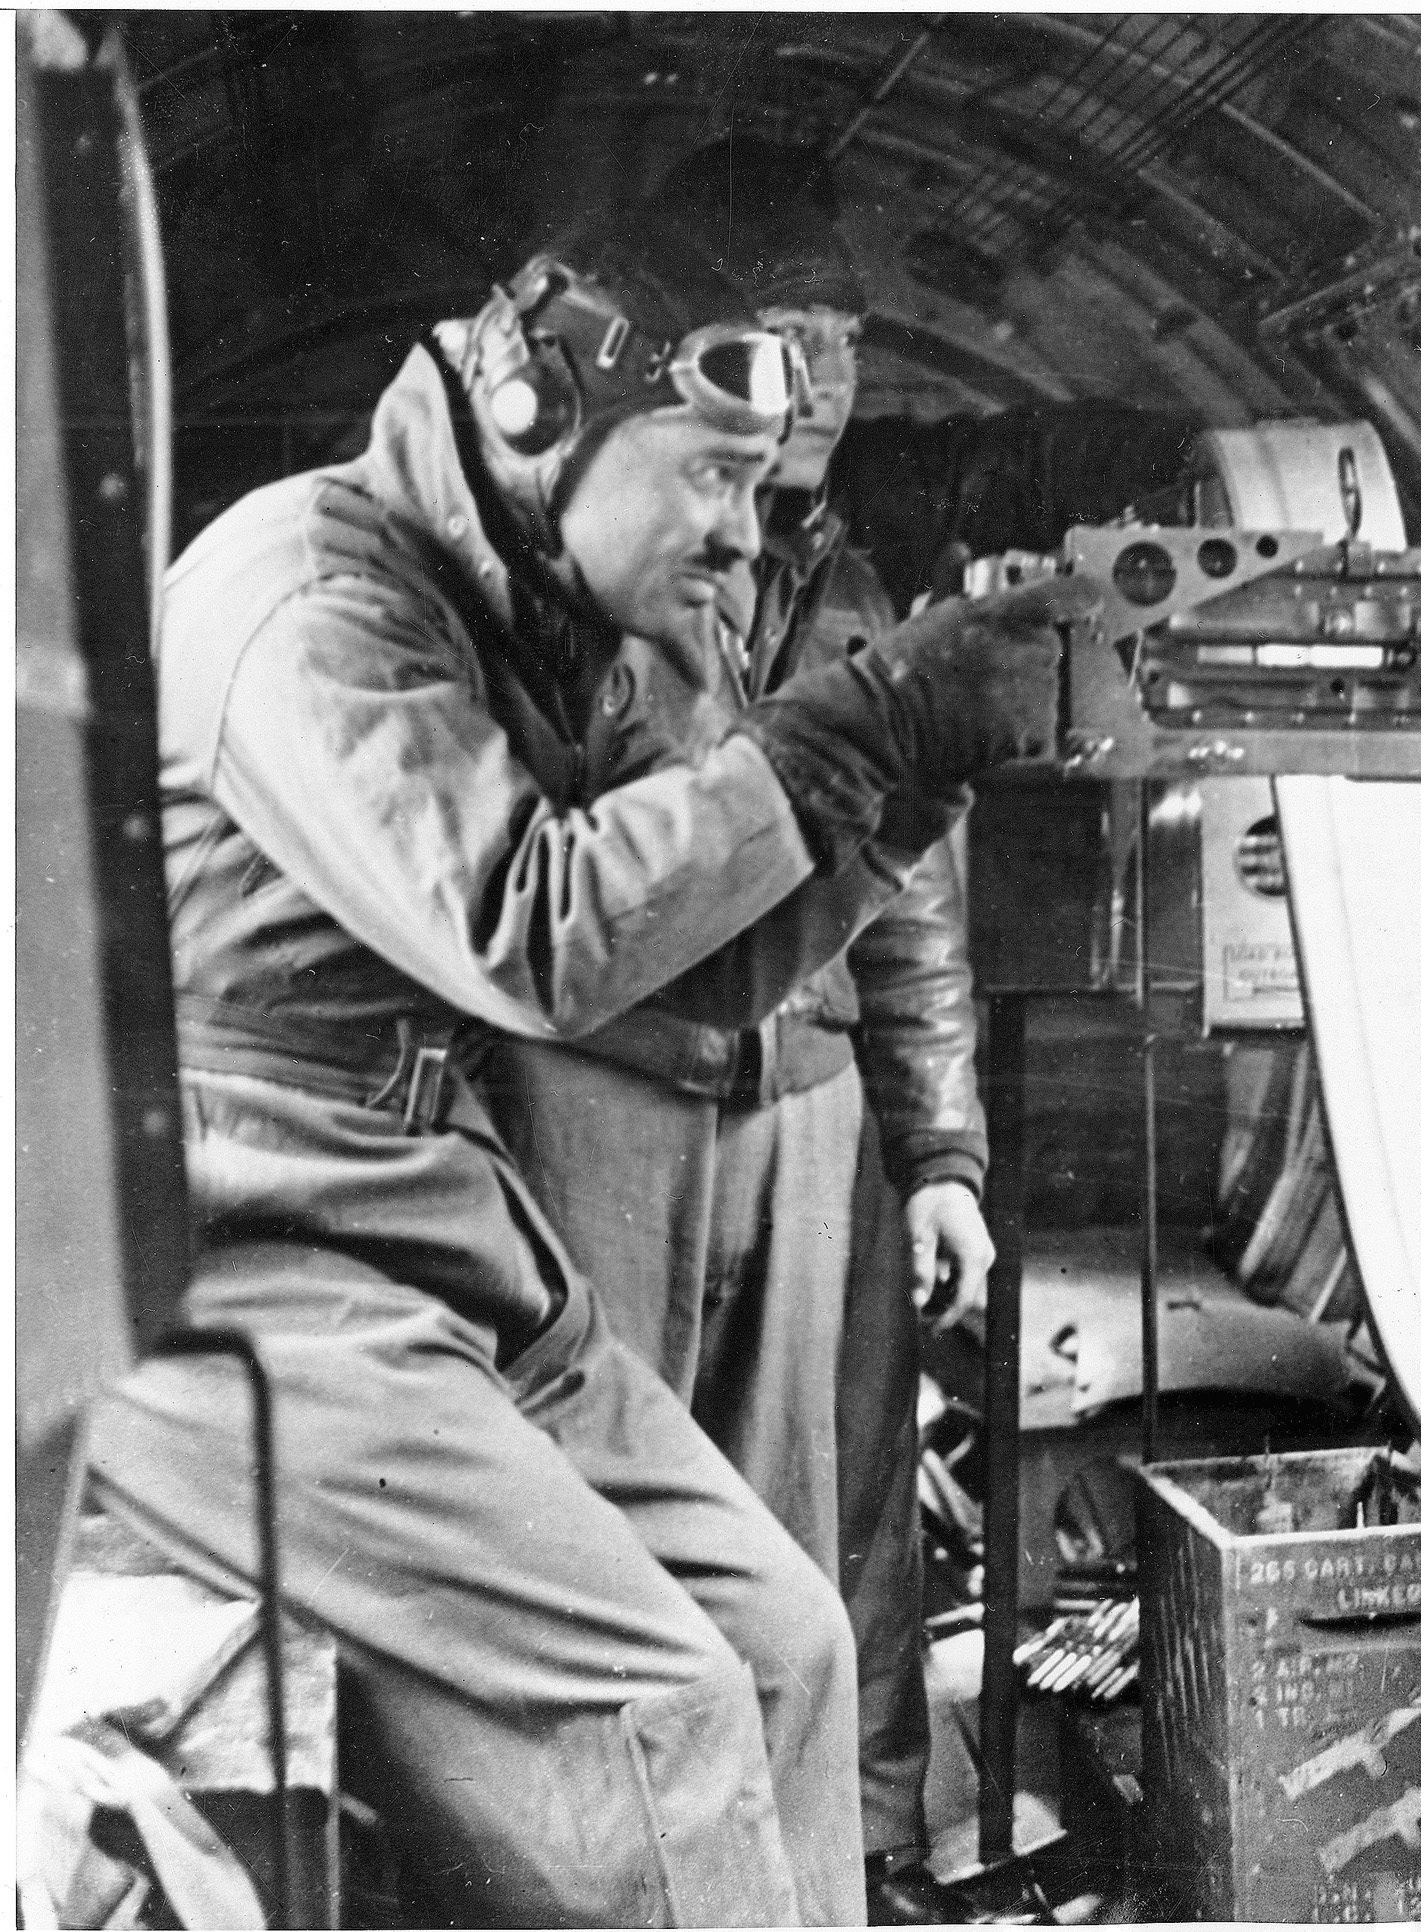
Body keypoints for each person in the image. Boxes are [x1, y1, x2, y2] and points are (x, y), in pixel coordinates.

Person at [79, 206, 1094, 1926]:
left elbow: (687, 979)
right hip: (227, 1259)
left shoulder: (534, 618)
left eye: (759, 485)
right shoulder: (305, 593)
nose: (738, 529)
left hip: (419, 1233)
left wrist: (908, 782)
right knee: (659, 1712)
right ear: (543, 421)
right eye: (706, 476)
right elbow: (531, 931)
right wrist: (860, 724)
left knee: (787, 1645)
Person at [481, 178, 988, 1925]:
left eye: (850, 343)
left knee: (837, 1509)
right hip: (611, 1091)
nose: (829, 376)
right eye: (795, 340)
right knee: (598, 1499)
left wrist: (943, 1161)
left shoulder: (857, 589)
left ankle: (860, 1863)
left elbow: (917, 902)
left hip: (816, 1100)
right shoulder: (589, 561)